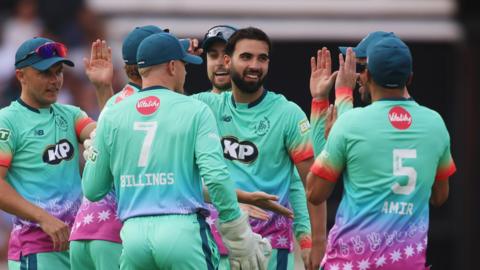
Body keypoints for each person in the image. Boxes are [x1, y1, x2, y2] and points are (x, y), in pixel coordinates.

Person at [81, 32, 272, 270]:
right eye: (184, 65)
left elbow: (93, 189)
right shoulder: (196, 110)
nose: (185, 71)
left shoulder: (113, 113)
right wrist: (237, 230)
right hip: (183, 231)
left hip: (133, 236)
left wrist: (95, 158)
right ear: (172, 66)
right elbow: (215, 176)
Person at [306, 37, 456, 269]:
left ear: (367, 75)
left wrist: (338, 106)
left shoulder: (351, 123)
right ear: (410, 78)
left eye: (362, 68)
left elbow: (315, 192)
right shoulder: (435, 124)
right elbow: (440, 196)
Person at [193, 27, 327, 270]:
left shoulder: (287, 114)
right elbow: (162, 108)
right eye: (246, 57)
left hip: (270, 249)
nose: (255, 65)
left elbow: (310, 184)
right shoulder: (205, 107)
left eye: (262, 58)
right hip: (215, 245)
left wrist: (313, 240)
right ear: (227, 61)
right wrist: (179, 59)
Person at [0, 37, 109, 269]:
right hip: (36, 249)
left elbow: (112, 140)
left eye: (58, 72)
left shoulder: (70, 115)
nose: (55, 80)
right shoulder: (7, 121)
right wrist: (43, 217)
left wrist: (102, 88)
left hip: (78, 245)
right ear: (21, 76)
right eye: (45, 73)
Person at [69, 25, 164, 270]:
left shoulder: (116, 102)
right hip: (116, 233)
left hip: (83, 231)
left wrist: (103, 90)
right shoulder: (154, 107)